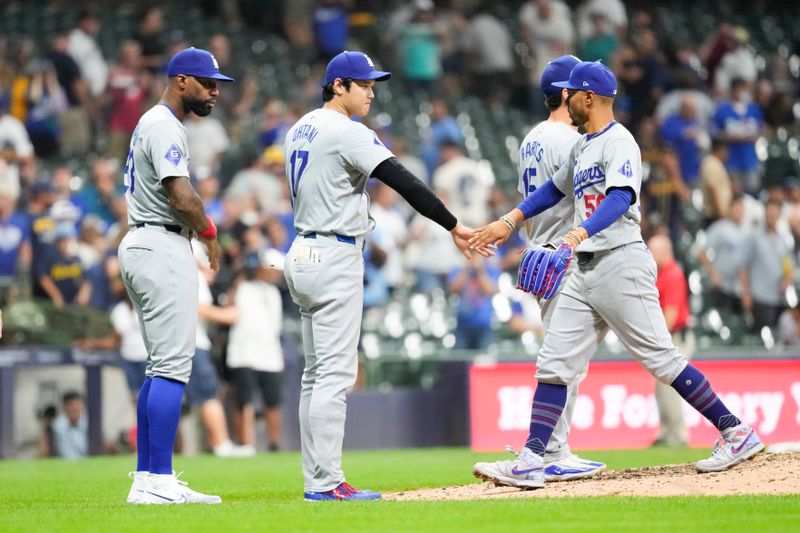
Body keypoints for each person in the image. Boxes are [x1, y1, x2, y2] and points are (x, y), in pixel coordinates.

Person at [469, 61, 764, 490]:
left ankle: (736, 431)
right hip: (583, 269)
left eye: (570, 93)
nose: (564, 98)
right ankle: (534, 458)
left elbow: (621, 197)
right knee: (554, 362)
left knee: (661, 358)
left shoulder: (619, 140)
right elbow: (554, 189)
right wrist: (509, 220)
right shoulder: (581, 144)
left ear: (588, 97)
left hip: (620, 261)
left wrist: (575, 233)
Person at [283, 50, 475, 501]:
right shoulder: (346, 131)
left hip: (302, 248)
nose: (371, 91)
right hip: (334, 253)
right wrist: (453, 225)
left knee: (315, 376)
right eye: (363, 84)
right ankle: (327, 483)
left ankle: (316, 479)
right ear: (338, 86)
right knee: (332, 375)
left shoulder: (300, 127)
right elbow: (401, 179)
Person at [120, 47, 233, 505]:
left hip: (142, 241)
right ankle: (159, 481)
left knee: (158, 367)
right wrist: (209, 233)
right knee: (171, 368)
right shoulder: (166, 124)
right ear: (181, 80)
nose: (214, 92)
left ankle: (148, 478)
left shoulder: (154, 121)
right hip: (161, 242)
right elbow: (181, 194)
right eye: (207, 83)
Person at [512, 54, 606, 481]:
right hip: (565, 252)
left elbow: (532, 206)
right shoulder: (571, 140)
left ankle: (554, 446)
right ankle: (553, 449)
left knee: (562, 355)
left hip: (540, 247)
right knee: (564, 359)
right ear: (567, 94)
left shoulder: (531, 137)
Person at [226, 249, 286, 452]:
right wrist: (241, 277)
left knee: (273, 401)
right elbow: (230, 304)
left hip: (270, 355)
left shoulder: (274, 293)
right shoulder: (244, 287)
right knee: (245, 401)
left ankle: (274, 443)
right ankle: (247, 443)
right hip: (244, 353)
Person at [648, 234, 692, 447]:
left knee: (670, 387)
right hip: (668, 336)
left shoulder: (673, 274)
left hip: (675, 337)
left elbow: (671, 314)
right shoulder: (659, 273)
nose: (650, 254)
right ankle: (666, 431)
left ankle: (678, 434)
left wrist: (656, 340)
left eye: (653, 251)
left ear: (665, 251)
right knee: (661, 388)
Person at [52, 391, 88, 460]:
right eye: (71, 405)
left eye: (78, 404)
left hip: (86, 466)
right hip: (64, 467)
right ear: (65, 407)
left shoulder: (88, 424)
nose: (75, 408)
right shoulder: (57, 425)